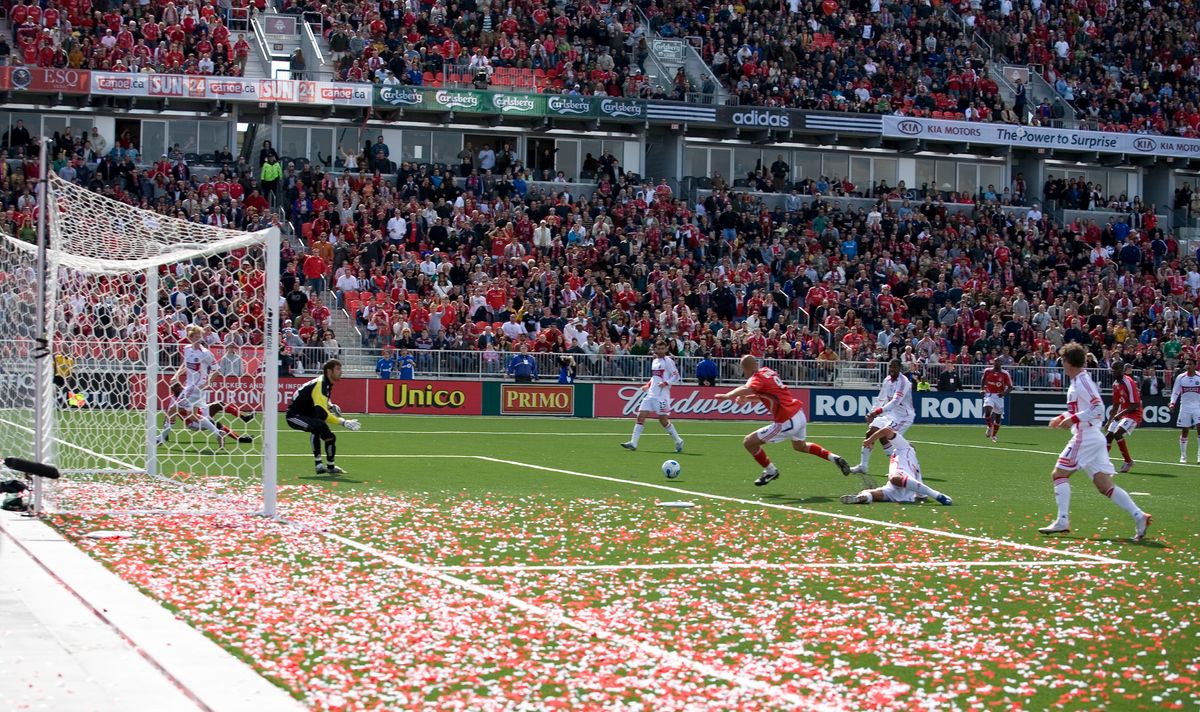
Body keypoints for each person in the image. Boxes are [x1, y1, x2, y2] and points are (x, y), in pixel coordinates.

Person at [1039, 344, 1150, 541]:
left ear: (1069, 362)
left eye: (1063, 361)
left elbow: (1098, 408)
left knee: (1059, 474)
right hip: (1092, 436)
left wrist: (1073, 419)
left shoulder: (1082, 381)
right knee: (1103, 485)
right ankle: (1139, 516)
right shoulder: (1077, 381)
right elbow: (1080, 410)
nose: (1061, 365)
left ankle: (1062, 520)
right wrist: (1062, 416)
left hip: (1086, 436)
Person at [715, 355, 850, 486]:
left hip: (786, 420)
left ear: (746, 368)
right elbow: (768, 394)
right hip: (799, 414)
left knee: (749, 442)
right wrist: (748, 399)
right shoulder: (768, 371)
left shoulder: (756, 378)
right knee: (800, 446)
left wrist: (728, 395)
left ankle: (771, 471)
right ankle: (834, 458)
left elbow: (746, 388)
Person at [840, 426, 952, 506]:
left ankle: (938, 495)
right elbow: (921, 494)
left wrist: (870, 440)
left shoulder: (905, 447)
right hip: (898, 493)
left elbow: (886, 430)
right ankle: (862, 498)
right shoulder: (914, 465)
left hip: (900, 478)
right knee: (870, 492)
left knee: (894, 478)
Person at [286, 359, 360, 475]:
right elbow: (321, 413)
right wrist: (343, 422)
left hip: (308, 414)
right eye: (338, 369)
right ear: (329, 371)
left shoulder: (325, 383)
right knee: (317, 426)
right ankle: (319, 464)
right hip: (295, 417)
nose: (341, 372)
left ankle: (330, 466)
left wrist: (330, 406)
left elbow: (319, 401)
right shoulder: (322, 384)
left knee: (330, 437)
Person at [160, 325, 224, 446]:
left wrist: (207, 382)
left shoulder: (205, 353)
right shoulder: (187, 349)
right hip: (190, 386)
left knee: (172, 409)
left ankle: (161, 438)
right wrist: (177, 375)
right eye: (195, 336)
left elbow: (217, 370)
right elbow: (185, 364)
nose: (198, 338)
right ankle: (218, 433)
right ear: (190, 337)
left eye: (199, 336)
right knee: (193, 415)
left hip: (196, 387)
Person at [850, 359, 914, 475]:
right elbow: (881, 398)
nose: (892, 369)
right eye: (890, 366)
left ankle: (900, 463)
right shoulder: (887, 380)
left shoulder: (904, 382)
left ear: (900, 368)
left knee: (886, 435)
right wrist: (871, 413)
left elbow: (895, 402)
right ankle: (863, 466)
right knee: (871, 432)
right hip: (891, 414)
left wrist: (877, 412)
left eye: (894, 367)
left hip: (903, 416)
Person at [621, 340, 684, 453]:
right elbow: (654, 378)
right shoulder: (654, 361)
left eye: (662, 349)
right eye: (658, 349)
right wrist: (648, 385)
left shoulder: (668, 361)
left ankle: (678, 440)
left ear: (666, 349)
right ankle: (633, 443)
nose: (660, 351)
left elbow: (676, 376)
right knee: (640, 416)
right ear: (655, 349)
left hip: (662, 395)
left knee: (663, 420)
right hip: (651, 394)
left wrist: (665, 383)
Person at [1105, 360, 1141, 473]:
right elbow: (1116, 404)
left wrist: (1119, 414)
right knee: (1108, 436)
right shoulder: (1115, 384)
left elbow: (1136, 404)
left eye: (1114, 370)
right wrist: (1109, 421)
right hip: (1123, 413)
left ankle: (1128, 461)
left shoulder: (1129, 382)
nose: (1112, 372)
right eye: (1112, 369)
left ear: (1121, 370)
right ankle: (1103, 462)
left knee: (1117, 433)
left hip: (1134, 413)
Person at [1169, 358, 1200, 464]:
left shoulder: (1199, 377)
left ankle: (1199, 455)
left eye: (1190, 364)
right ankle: (1183, 456)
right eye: (1187, 364)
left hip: (1198, 407)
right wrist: (1172, 402)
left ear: (1195, 365)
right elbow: (1175, 391)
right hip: (1185, 407)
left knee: (1199, 429)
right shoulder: (1181, 377)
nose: (1188, 366)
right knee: (1185, 431)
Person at [981, 358, 1014, 442]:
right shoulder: (987, 371)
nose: (996, 363)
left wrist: (1004, 393)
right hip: (989, 395)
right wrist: (982, 389)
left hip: (999, 397)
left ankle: (994, 435)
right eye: (995, 361)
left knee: (998, 417)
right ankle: (990, 426)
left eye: (998, 361)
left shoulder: (1005, 374)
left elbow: (1011, 387)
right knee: (987, 410)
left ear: (1001, 363)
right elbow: (983, 379)